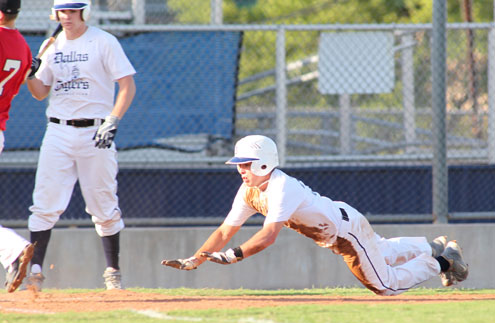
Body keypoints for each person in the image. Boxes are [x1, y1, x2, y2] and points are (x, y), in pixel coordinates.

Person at [162, 135, 468, 295]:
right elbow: (225, 231)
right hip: (344, 219)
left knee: (384, 286)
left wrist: (232, 256)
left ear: (264, 164)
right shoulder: (249, 191)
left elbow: (268, 237)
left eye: (246, 164)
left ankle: (444, 262)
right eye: (239, 165)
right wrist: (197, 258)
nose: (241, 170)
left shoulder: (281, 187)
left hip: (344, 233)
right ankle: (432, 247)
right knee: (383, 251)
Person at [26, 0, 136, 291]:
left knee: (103, 204)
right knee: (45, 203)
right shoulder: (53, 46)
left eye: (73, 11)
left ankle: (112, 271)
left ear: (84, 12)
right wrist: (30, 72)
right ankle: (35, 270)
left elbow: (127, 85)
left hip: (95, 130)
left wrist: (112, 120)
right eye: (62, 11)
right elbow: (40, 92)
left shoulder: (103, 41)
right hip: (58, 130)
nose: (67, 17)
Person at [0, 0, 36, 293]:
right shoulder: (23, 46)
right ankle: (12, 253)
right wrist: (29, 68)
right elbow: (20, 81)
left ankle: (13, 250)